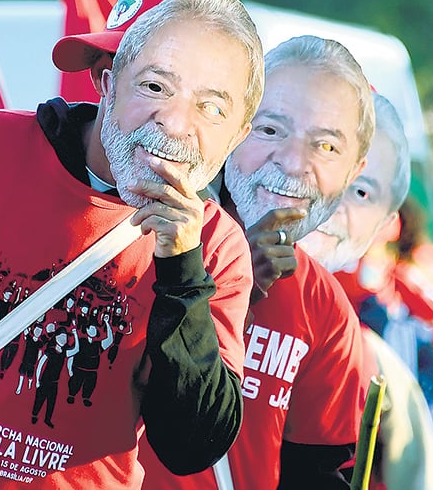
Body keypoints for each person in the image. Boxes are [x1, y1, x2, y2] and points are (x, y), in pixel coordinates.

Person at [0, 0, 263, 488]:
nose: (175, 123)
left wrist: (183, 269)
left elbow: (191, 447)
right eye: (155, 87)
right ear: (107, 83)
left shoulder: (220, 249)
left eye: (211, 107)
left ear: (237, 134)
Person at [139, 34, 375, 490]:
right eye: (270, 130)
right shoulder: (143, 229)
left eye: (326, 147)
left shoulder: (326, 310)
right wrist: (229, 279)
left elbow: (317, 474)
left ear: (354, 171)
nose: (292, 163)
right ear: (236, 128)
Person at [300, 92, 433, 489]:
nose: (333, 202)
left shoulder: (382, 339)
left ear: (388, 221)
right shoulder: (221, 268)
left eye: (360, 191)